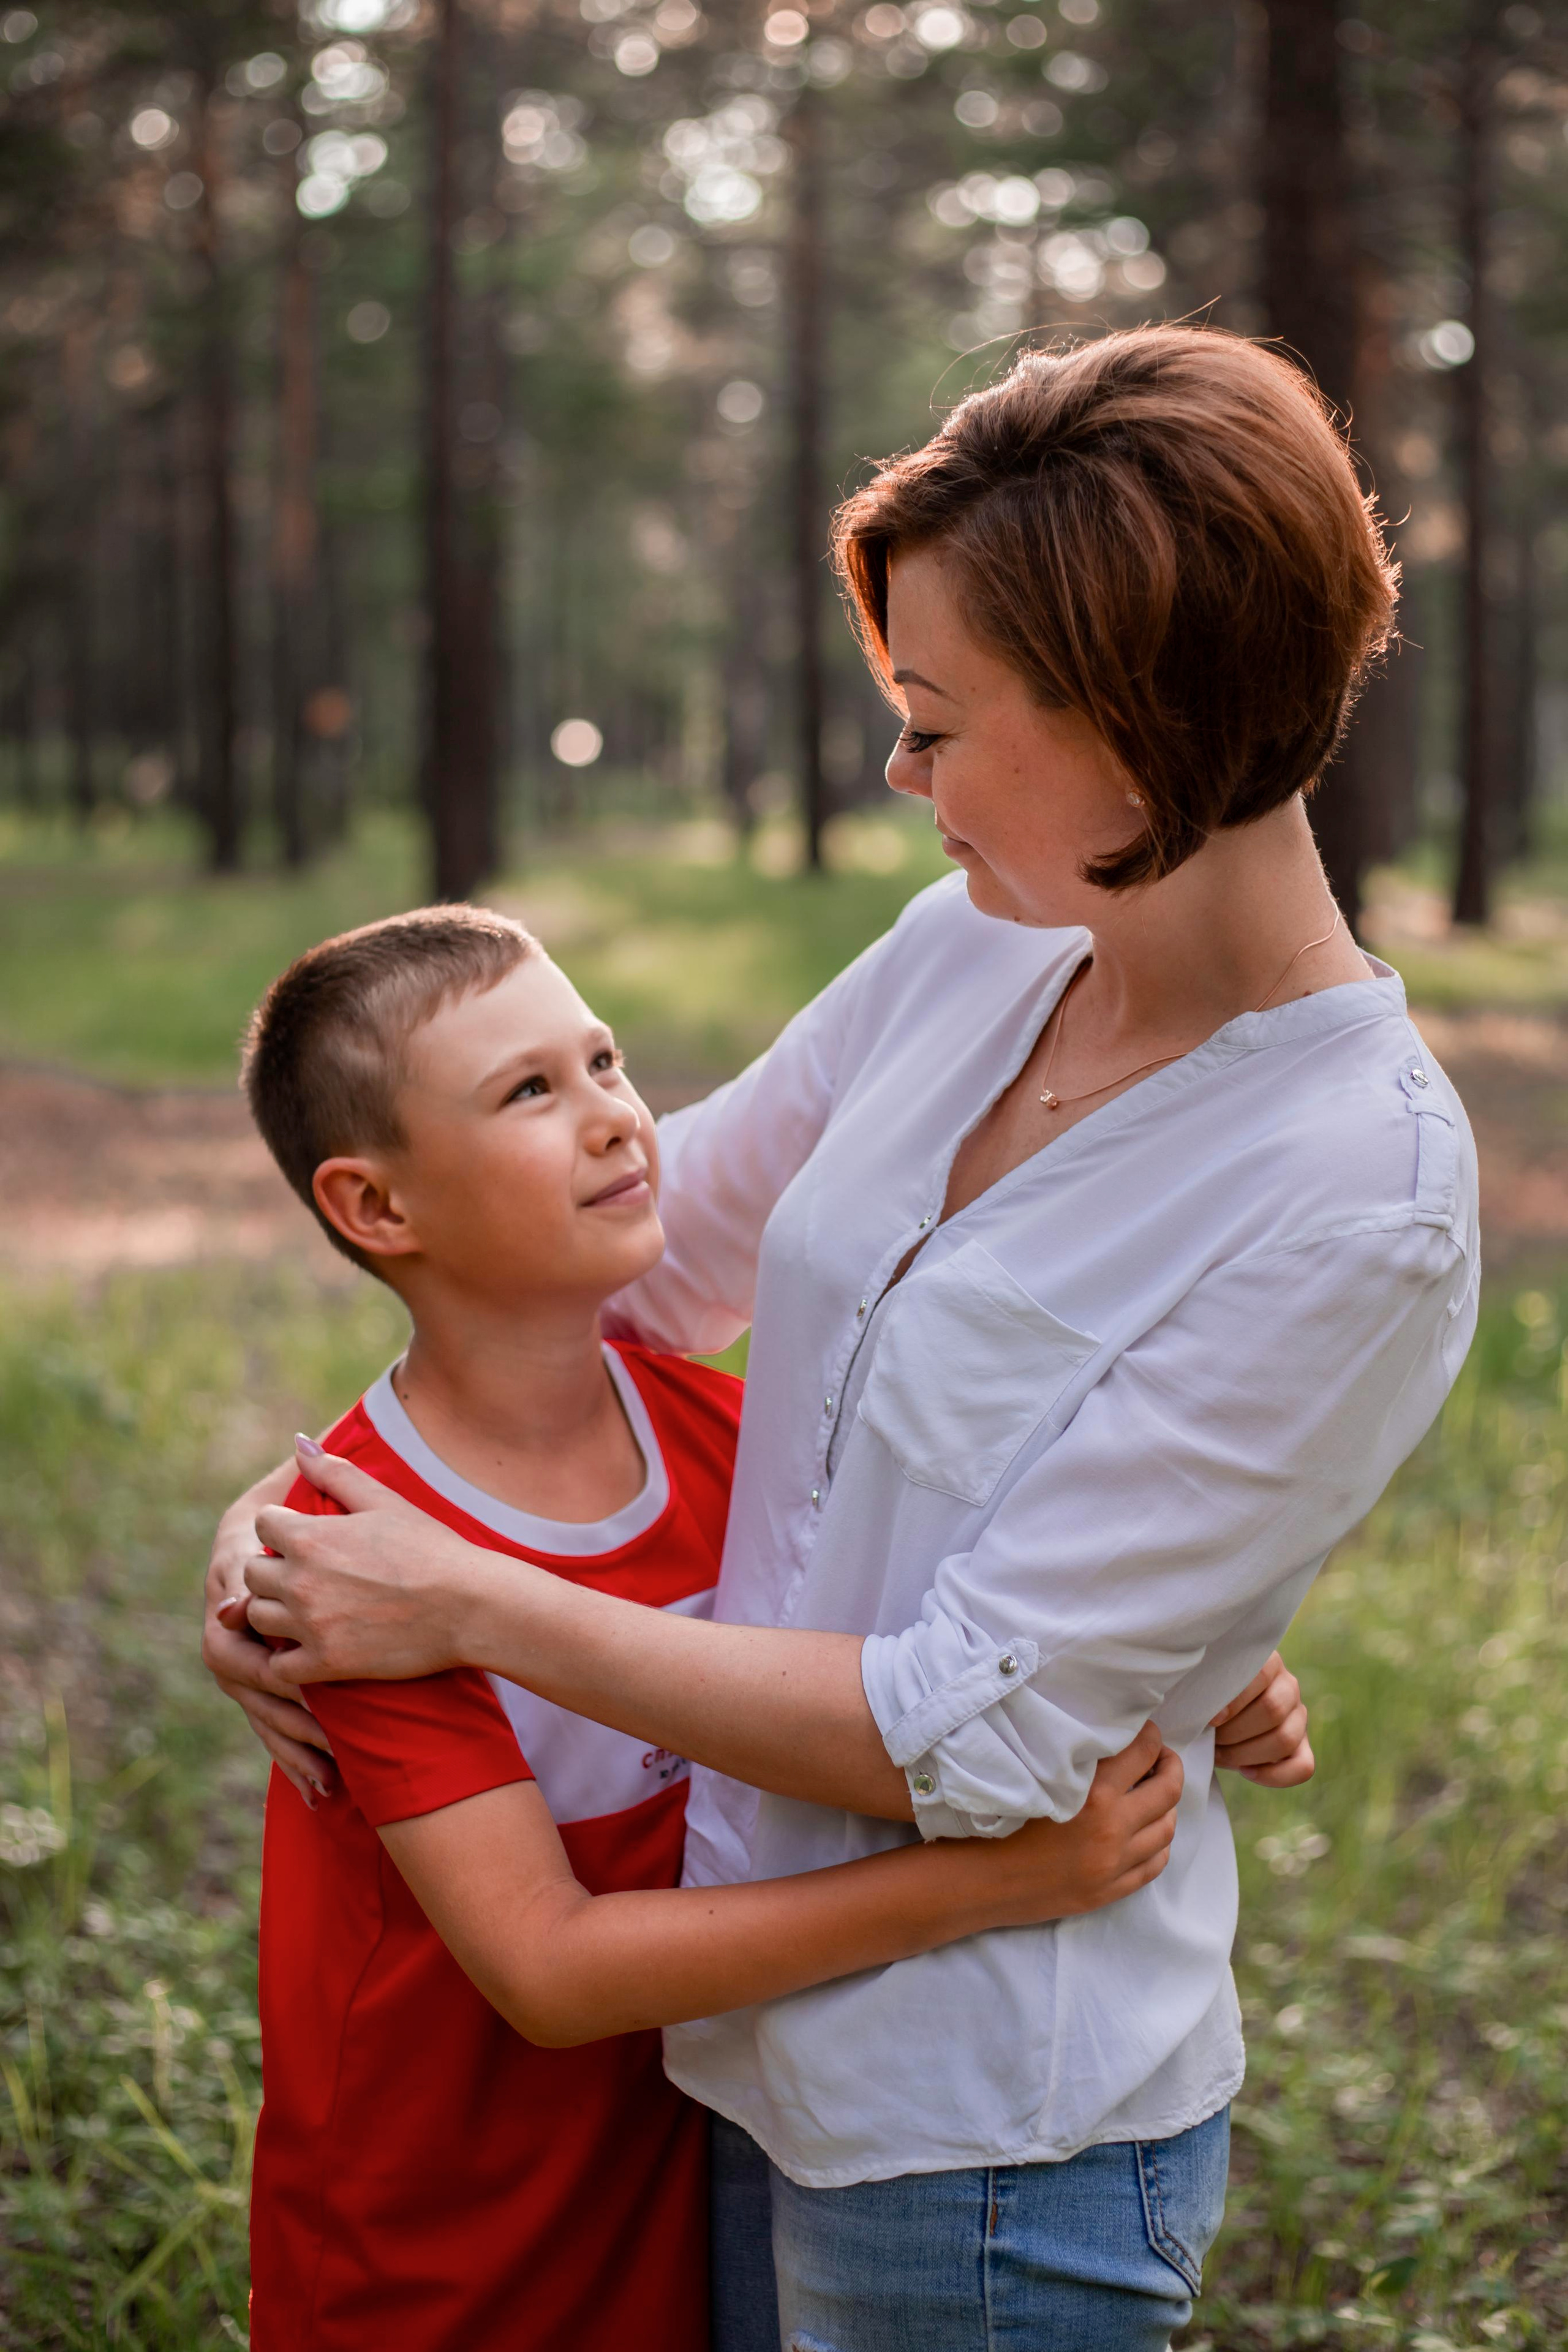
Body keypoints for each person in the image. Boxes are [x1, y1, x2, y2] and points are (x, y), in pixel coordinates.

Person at [208, 325, 1456, 2352]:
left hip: (980, 2143)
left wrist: (458, 1602)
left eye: (937, 724)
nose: (901, 776)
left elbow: (974, 1732)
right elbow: (620, 1275)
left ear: (1135, 723)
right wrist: (296, 1525)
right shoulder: (970, 948)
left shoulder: (1355, 1190)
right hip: (728, 2040)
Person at [230, 904, 1192, 2352]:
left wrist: (1215, 1662)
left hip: (677, 2211)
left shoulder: (727, 1437)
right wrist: (992, 1883)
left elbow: (982, 1597)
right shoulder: (364, 1567)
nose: (616, 1115)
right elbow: (549, 1970)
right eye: (529, 1090)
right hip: (427, 2261)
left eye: (603, 1059)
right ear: (375, 1207)